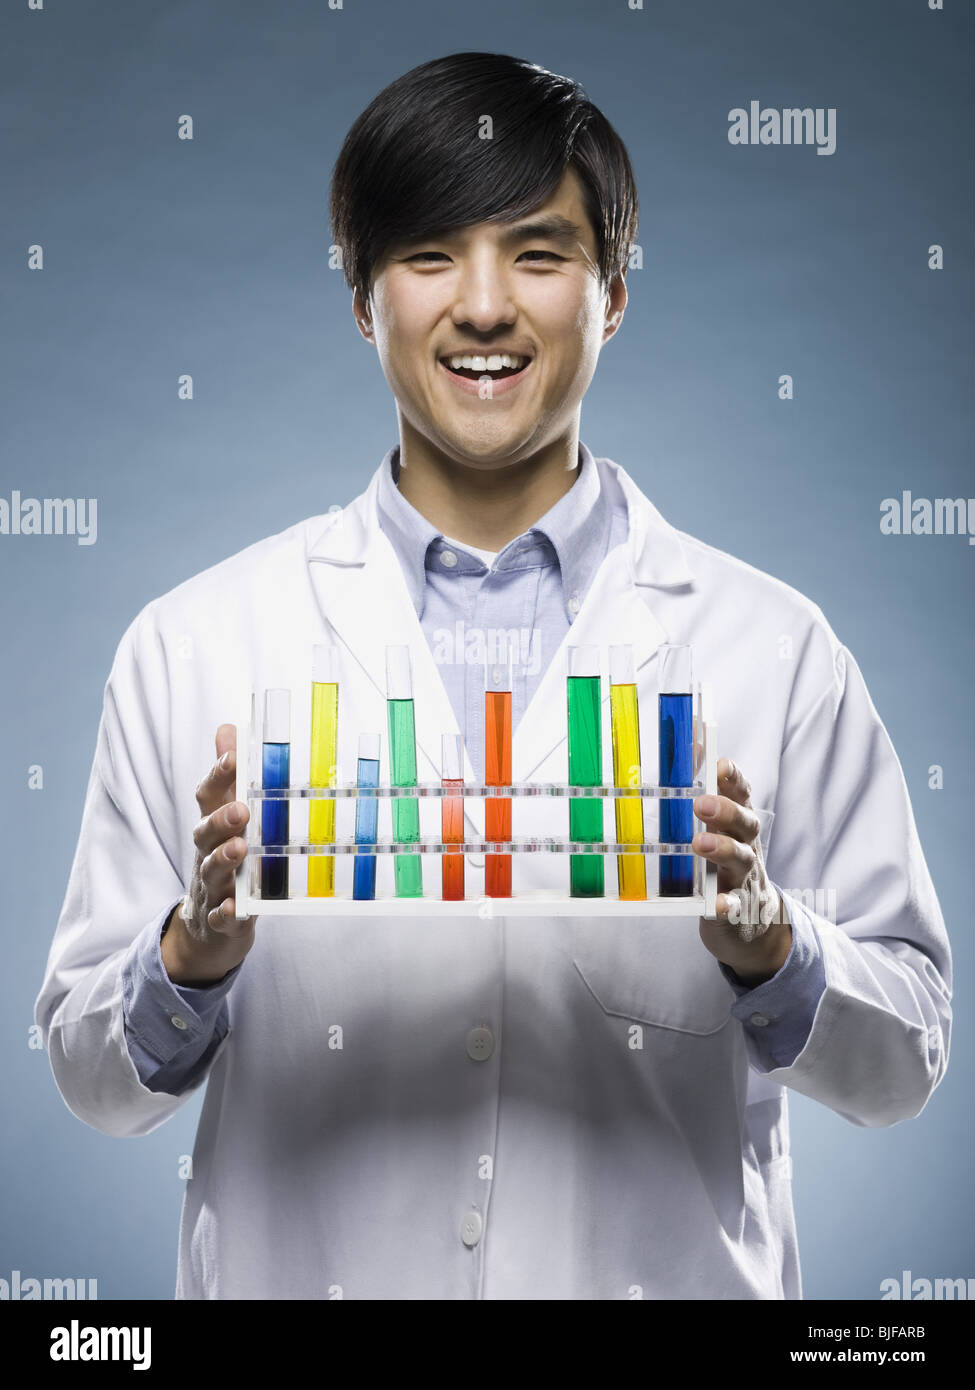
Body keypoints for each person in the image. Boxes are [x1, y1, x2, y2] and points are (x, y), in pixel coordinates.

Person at [35, 51, 951, 1301]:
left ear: (613, 293)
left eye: (537, 253)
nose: (482, 307)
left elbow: (906, 1060)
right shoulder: (194, 645)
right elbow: (91, 1079)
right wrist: (188, 957)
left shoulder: (773, 648)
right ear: (365, 301)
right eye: (426, 255)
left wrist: (771, 946)